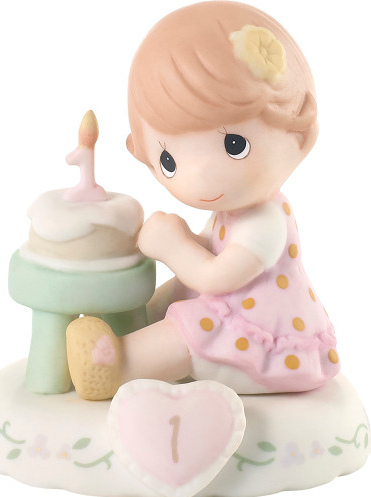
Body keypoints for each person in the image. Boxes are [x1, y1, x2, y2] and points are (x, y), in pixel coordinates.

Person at [66, 1, 339, 400]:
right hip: (238, 314)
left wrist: (173, 246)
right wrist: (187, 242)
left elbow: (216, 276)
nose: (199, 178)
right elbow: (211, 254)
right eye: (169, 160)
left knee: (192, 329)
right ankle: (135, 328)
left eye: (234, 145)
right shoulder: (233, 212)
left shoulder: (264, 222)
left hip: (266, 345)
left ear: (300, 136)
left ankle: (116, 364)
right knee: (177, 299)